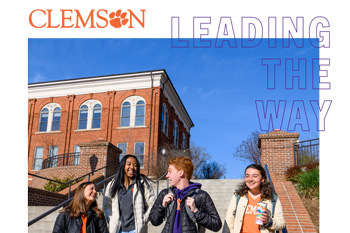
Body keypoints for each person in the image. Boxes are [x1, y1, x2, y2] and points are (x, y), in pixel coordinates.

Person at [150, 156, 222, 233]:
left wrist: (196, 211)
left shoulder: (201, 196)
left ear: (180, 173)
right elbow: (154, 221)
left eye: (170, 172)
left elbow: (217, 224)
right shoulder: (165, 194)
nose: (167, 175)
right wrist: (162, 206)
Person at [222, 164, 285, 233]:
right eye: (247, 176)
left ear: (263, 179)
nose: (250, 179)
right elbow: (228, 221)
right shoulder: (238, 196)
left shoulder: (272, 198)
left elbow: (281, 223)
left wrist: (268, 221)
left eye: (255, 176)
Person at [103, 154, 155, 233]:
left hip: (136, 230)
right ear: (123, 166)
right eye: (129, 164)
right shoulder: (113, 184)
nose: (132, 167)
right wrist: (111, 220)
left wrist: (143, 219)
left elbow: (152, 204)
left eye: (135, 165)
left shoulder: (142, 183)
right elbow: (107, 206)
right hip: (118, 230)